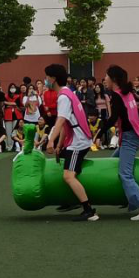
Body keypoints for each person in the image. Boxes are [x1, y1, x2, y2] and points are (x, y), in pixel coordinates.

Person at [45, 63, 98, 222]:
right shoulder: (68, 93)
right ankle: (71, 199)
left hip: (78, 142)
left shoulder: (63, 97)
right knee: (63, 162)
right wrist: (59, 145)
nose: (45, 80)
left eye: (47, 77)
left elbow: (61, 121)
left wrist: (51, 141)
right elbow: (66, 124)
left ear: (53, 79)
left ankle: (88, 210)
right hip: (77, 139)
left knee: (68, 176)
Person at [100, 65, 139, 221]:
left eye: (106, 76)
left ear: (113, 79)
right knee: (113, 161)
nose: (104, 79)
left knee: (125, 174)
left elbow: (112, 118)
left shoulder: (117, 95)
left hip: (130, 138)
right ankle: (129, 200)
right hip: (134, 136)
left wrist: (98, 133)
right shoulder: (127, 93)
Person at [3, 83, 23, 151]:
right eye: (11, 87)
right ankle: (9, 146)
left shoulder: (18, 96)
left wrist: (8, 103)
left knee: (15, 132)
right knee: (8, 132)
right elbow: (4, 103)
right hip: (7, 116)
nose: (12, 88)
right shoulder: (5, 96)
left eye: (13, 87)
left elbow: (18, 104)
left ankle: (16, 146)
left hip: (16, 116)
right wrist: (14, 104)